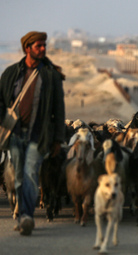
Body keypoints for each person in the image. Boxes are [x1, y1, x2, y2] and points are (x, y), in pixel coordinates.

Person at [0, 31, 65, 236]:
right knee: (18, 176)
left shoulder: (50, 75)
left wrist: (57, 139)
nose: (43, 49)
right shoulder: (11, 73)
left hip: (40, 135)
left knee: (30, 175)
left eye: (44, 45)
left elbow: (59, 108)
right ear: (27, 48)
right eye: (39, 46)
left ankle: (27, 216)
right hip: (15, 134)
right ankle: (21, 216)